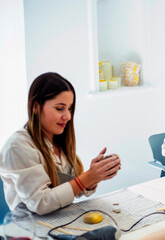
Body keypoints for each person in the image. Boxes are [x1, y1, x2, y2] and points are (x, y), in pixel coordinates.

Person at [0, 72, 121, 215]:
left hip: (56, 220)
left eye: (70, 108)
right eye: (59, 108)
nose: (68, 116)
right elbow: (41, 203)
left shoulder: (57, 141)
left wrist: (96, 176)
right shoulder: (18, 147)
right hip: (27, 229)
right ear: (36, 107)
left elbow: (69, 188)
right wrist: (88, 177)